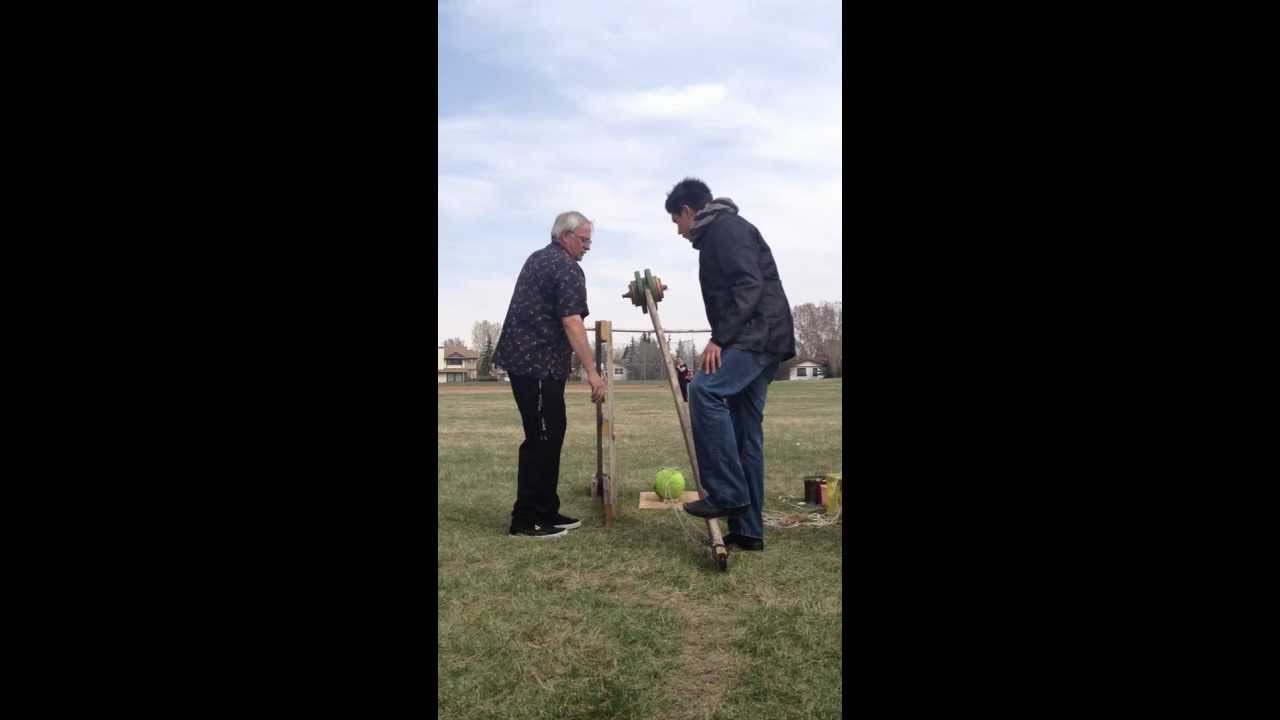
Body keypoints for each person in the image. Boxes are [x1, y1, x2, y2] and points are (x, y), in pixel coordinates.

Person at [664, 178, 795, 552]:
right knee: (744, 431)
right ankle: (749, 531)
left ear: (689, 211)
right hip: (764, 337)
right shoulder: (725, 230)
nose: (678, 230)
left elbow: (749, 285)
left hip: (756, 337)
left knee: (705, 390)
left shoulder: (725, 230)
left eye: (676, 221)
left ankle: (726, 494)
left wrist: (720, 338)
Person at [493, 211, 607, 539]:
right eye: (584, 240)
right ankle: (526, 521)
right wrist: (592, 371)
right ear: (565, 236)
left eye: (589, 240)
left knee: (550, 433)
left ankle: (547, 510)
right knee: (542, 439)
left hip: (529, 362)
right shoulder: (567, 267)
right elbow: (572, 322)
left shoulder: (539, 258)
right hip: (537, 364)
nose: (588, 246)